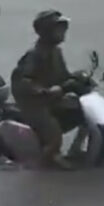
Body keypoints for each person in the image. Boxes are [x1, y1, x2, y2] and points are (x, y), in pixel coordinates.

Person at [11, 10, 85, 170]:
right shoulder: (35, 54)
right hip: (34, 103)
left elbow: (63, 76)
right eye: (58, 29)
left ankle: (76, 149)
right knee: (53, 133)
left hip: (51, 99)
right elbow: (22, 81)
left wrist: (78, 78)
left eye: (63, 28)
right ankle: (44, 165)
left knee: (83, 111)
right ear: (46, 31)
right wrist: (44, 91)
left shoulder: (56, 52)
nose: (63, 32)